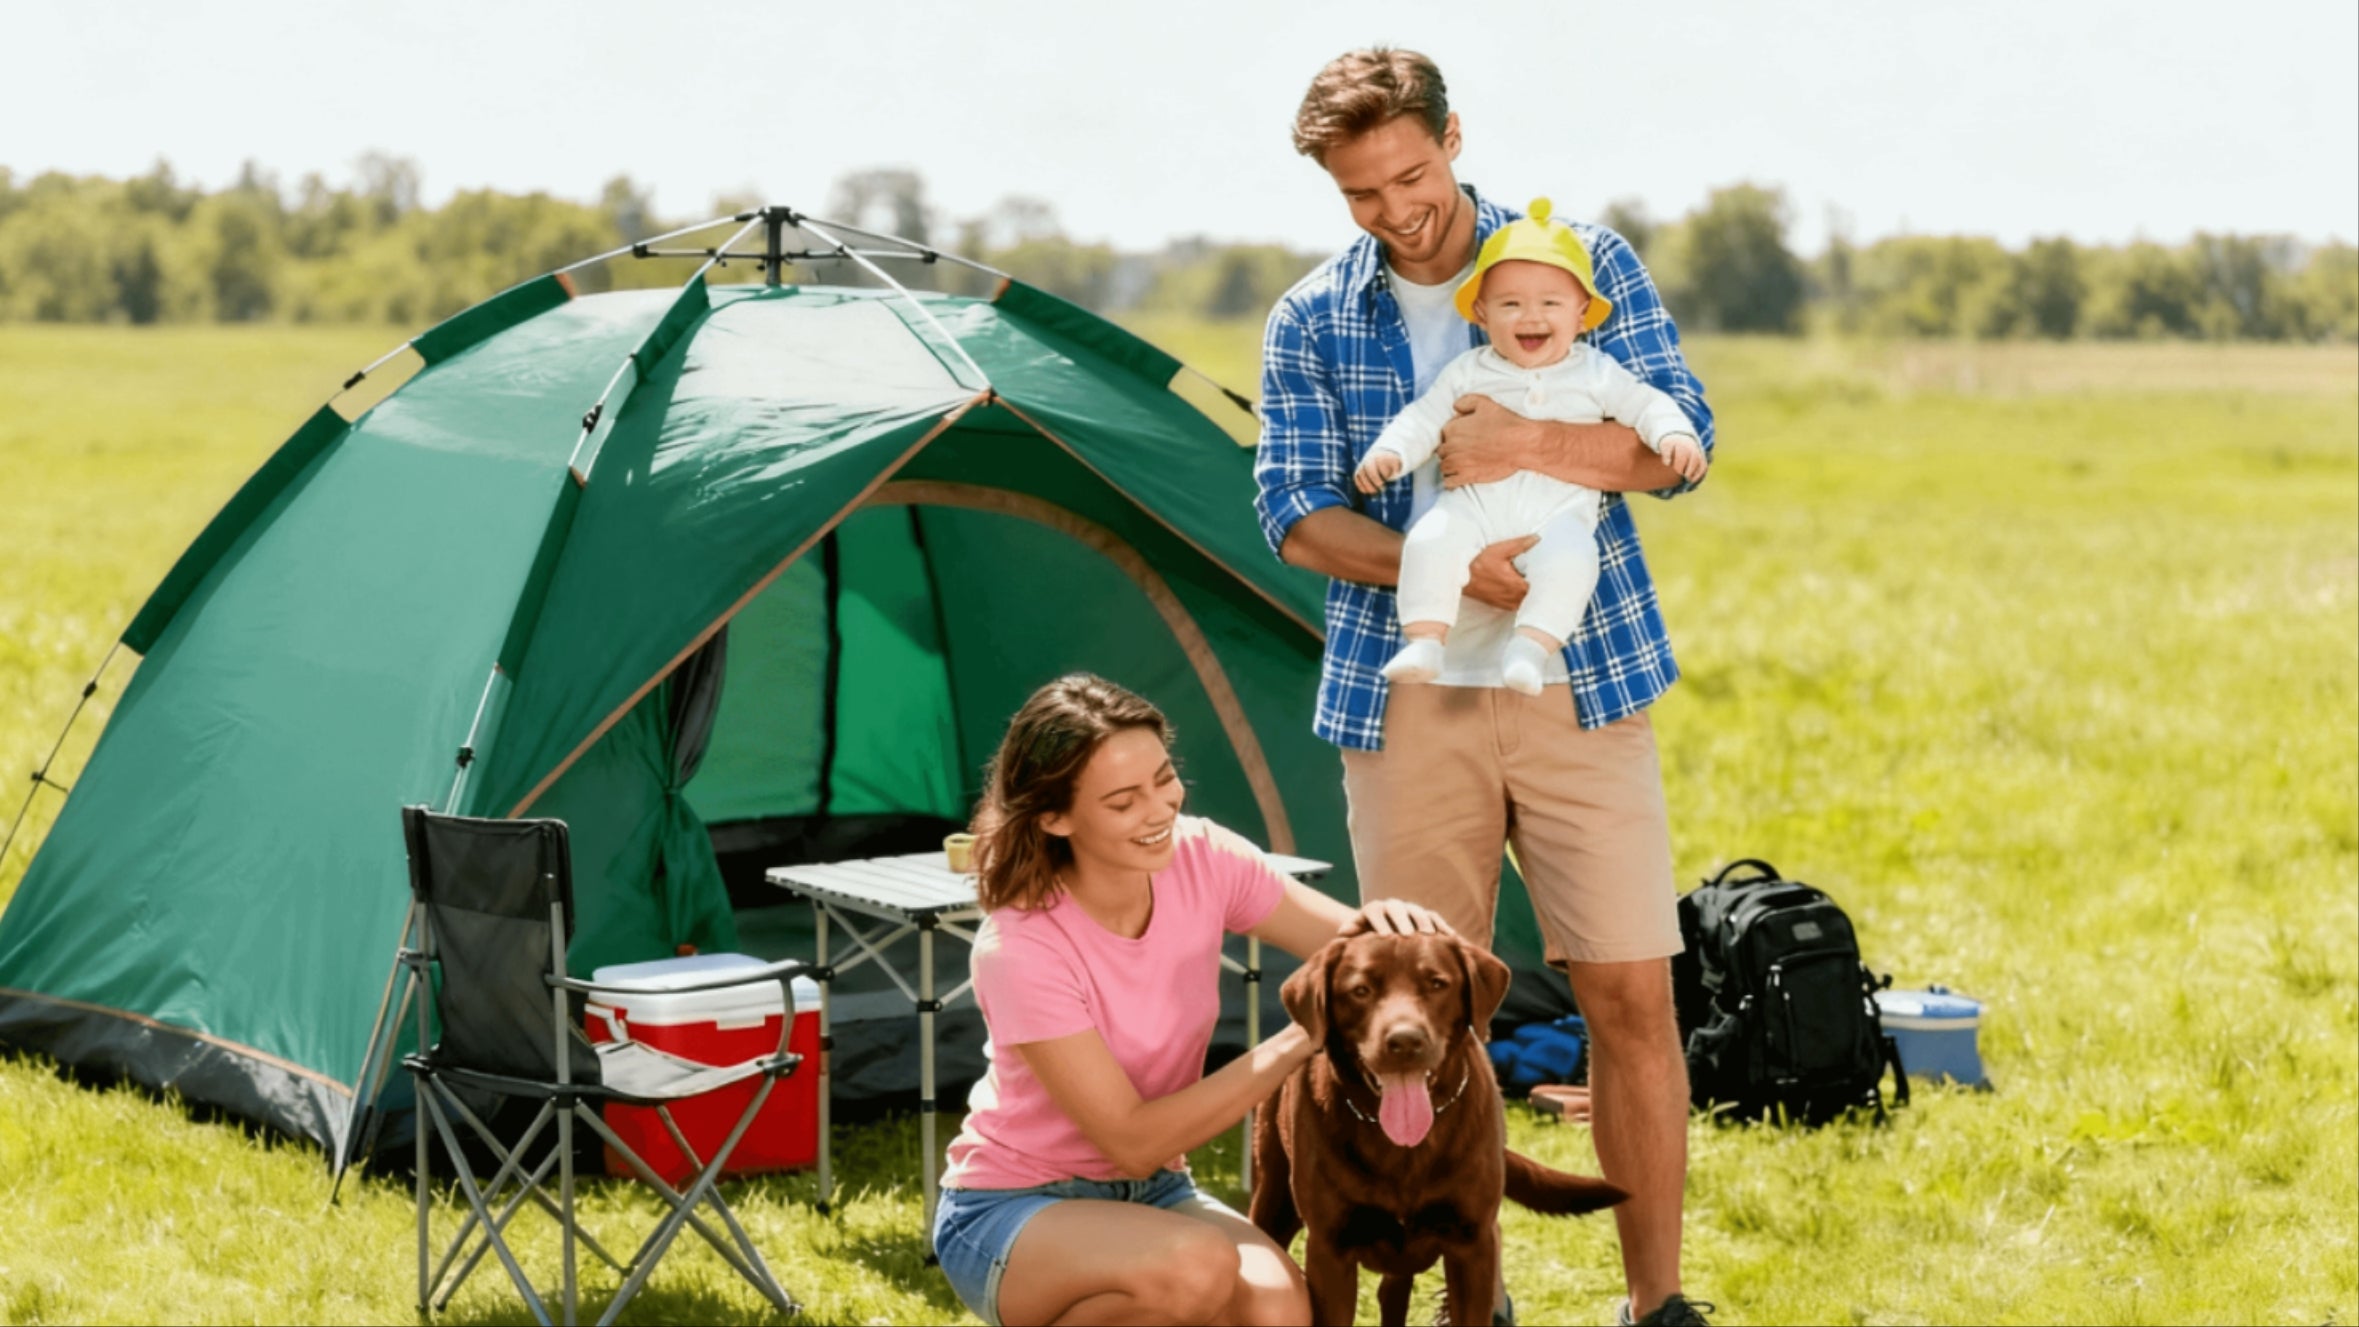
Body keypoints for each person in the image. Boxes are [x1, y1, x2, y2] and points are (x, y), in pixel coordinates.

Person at [1253, 47, 1718, 1327]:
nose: (1395, 210)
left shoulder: (1580, 263)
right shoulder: (1310, 316)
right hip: (1407, 694)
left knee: (1629, 991)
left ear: (1452, 137)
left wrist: (1529, 443)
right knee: (1414, 1010)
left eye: (1410, 175)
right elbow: (1293, 515)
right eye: (1360, 193)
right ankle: (1477, 1293)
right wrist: (1451, 568)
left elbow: (1682, 445)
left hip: (1582, 673)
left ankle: (1656, 1302)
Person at [930, 673, 1449, 1327]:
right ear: (1054, 818)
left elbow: (1353, 949)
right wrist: (1303, 1034)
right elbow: (1131, 1141)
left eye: (1163, 778)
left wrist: (1394, 933)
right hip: (1016, 1205)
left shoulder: (1202, 856)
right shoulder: (1020, 947)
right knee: (1195, 1268)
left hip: (1157, 1191)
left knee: (1280, 1311)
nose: (1159, 811)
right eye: (1123, 801)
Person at [1354, 197, 1708, 696]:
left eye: (1550, 304)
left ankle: (1530, 648)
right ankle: (1426, 640)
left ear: (1582, 316)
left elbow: (1647, 405)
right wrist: (1389, 454)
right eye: (1510, 304)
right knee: (1431, 540)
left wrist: (1673, 434)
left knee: (1574, 560)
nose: (1531, 317)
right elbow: (1423, 419)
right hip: (1472, 511)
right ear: (1482, 314)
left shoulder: (1596, 373)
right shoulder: (1469, 371)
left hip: (1557, 518)